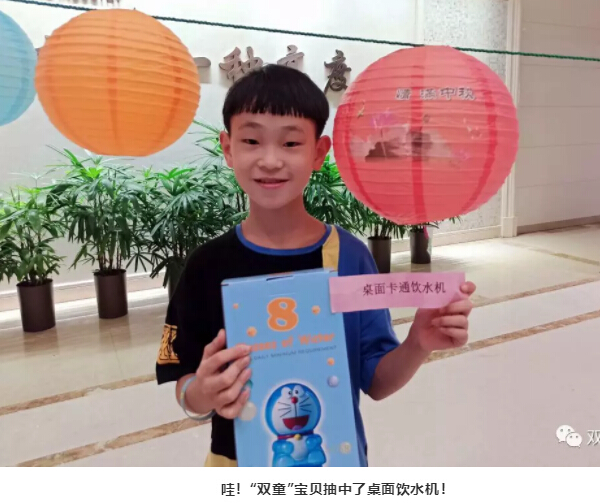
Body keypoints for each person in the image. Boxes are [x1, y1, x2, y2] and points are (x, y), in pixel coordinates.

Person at [155, 64, 476, 467]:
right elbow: (186, 382)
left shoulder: (349, 257)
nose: (270, 160)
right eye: (251, 140)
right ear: (228, 148)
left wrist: (417, 343)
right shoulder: (205, 266)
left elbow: (376, 382)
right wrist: (203, 394)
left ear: (319, 153)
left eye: (291, 143)